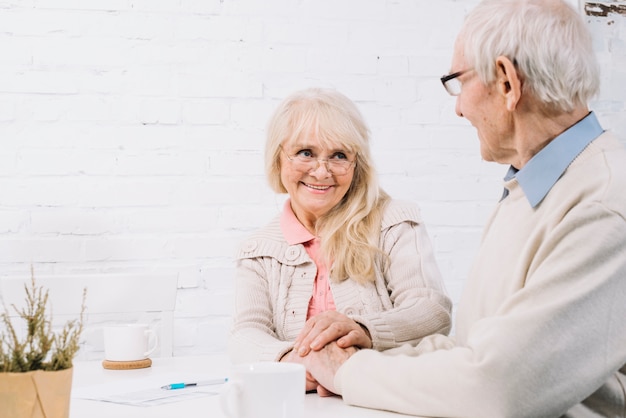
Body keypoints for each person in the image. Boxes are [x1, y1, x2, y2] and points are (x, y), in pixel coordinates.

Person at [300, 0, 626, 416]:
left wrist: (348, 371)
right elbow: (475, 349)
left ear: (507, 82)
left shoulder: (604, 204)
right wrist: (370, 346)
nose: (458, 107)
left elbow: (498, 386)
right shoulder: (528, 190)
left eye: (458, 81)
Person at [229, 87, 453, 392]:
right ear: (278, 159)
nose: (322, 172)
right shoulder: (258, 250)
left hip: (388, 400)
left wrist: (363, 329)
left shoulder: (395, 221)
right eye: (305, 153)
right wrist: (295, 363)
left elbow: (432, 311)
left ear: (356, 163)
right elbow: (245, 335)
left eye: (339, 156)